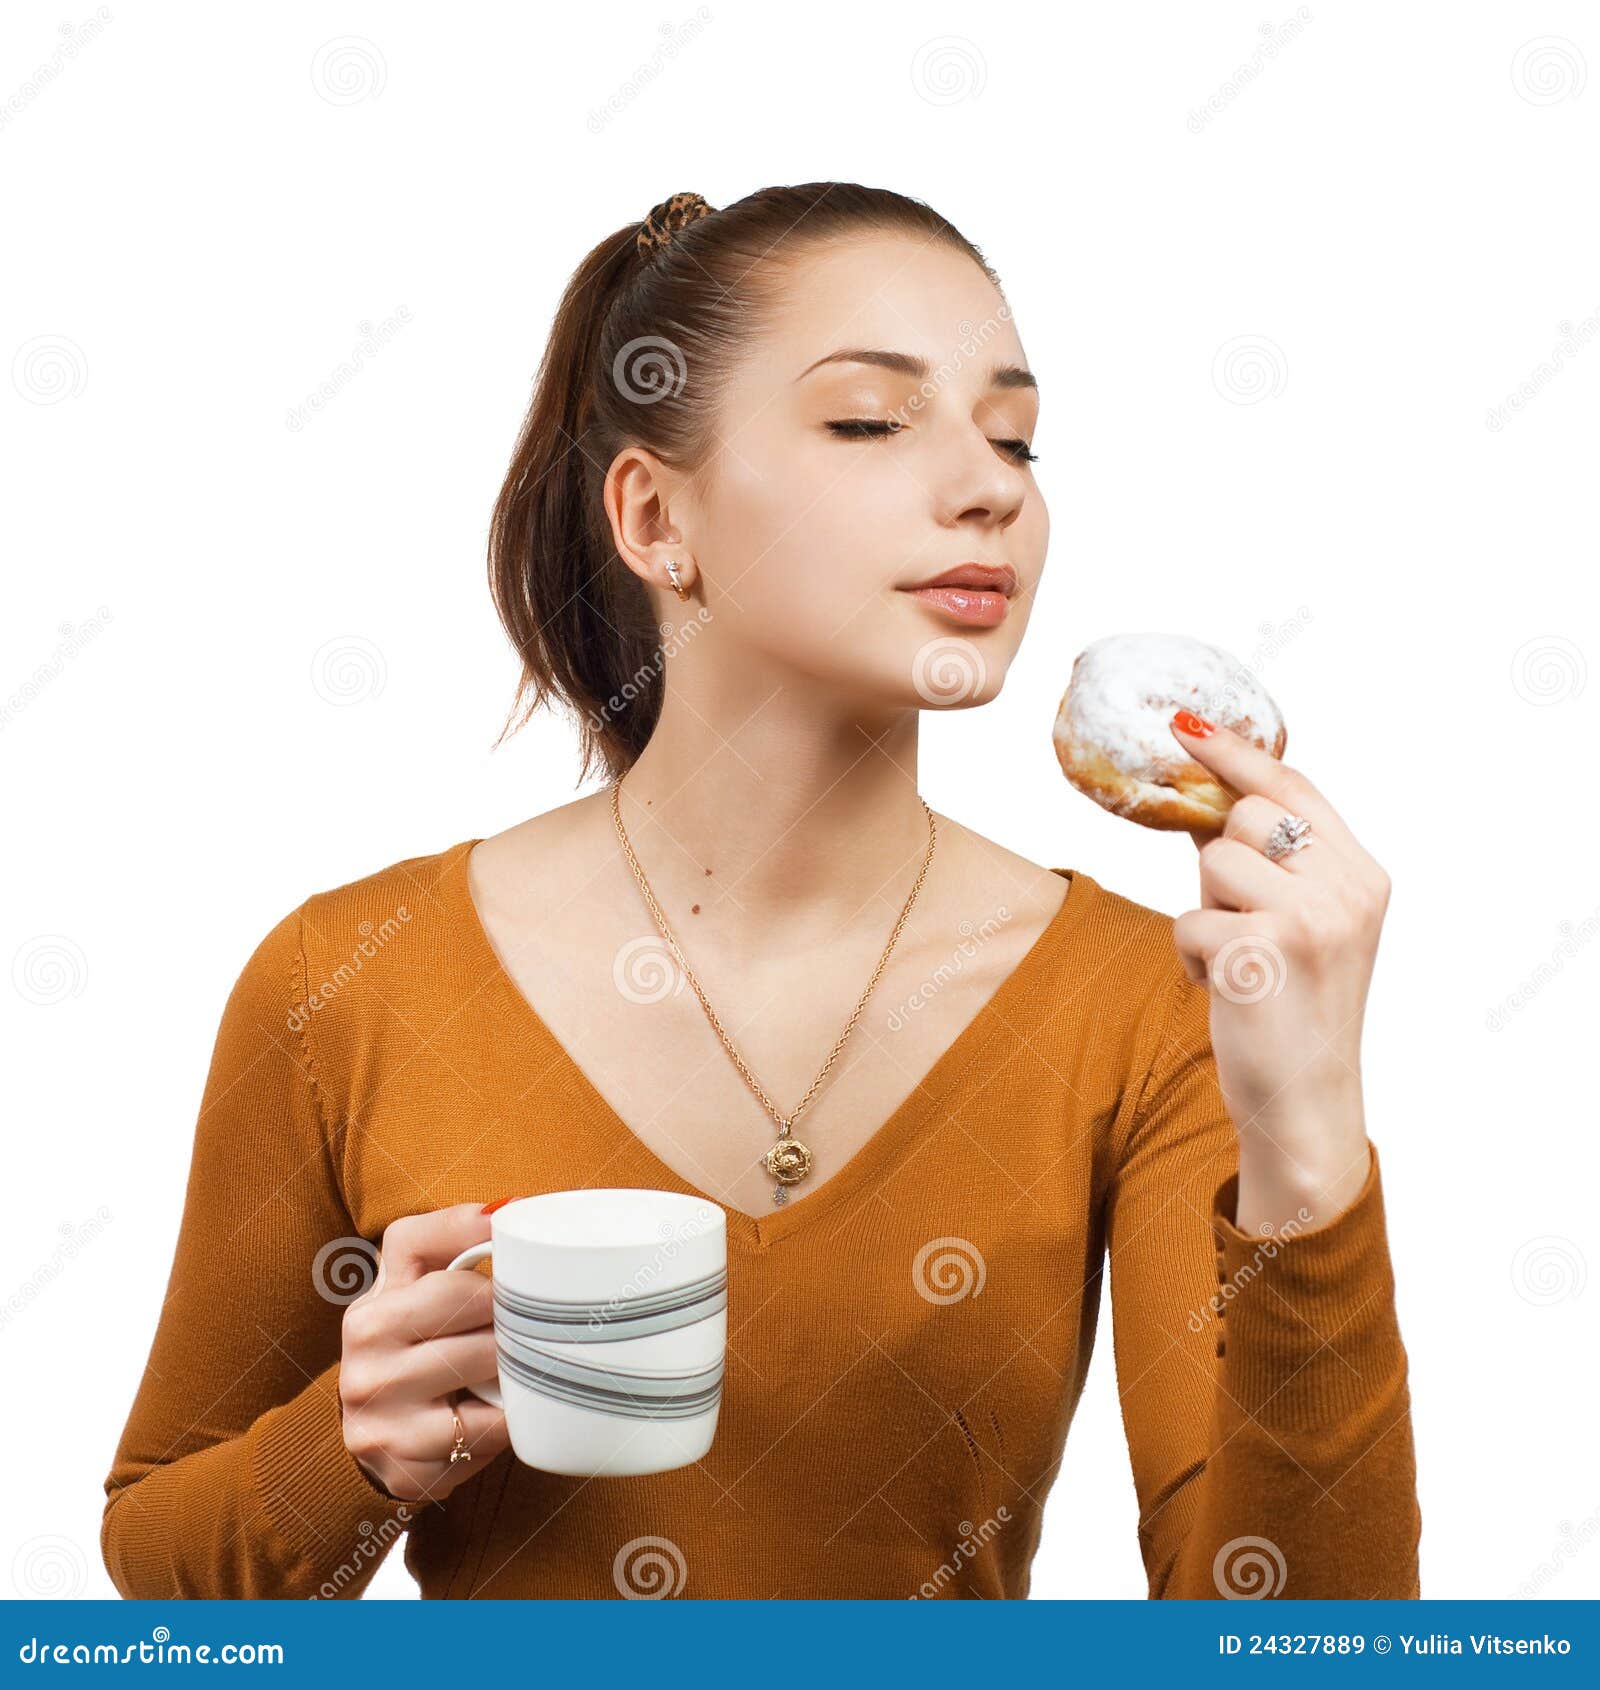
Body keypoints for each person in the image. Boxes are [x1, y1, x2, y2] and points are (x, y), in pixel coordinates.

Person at [100, 183, 1420, 1600]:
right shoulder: (349, 978)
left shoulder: (1149, 1001)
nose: (991, 487)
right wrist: (349, 1451)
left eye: (1015, 436)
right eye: (869, 421)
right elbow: (160, 1568)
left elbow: (1289, 1645)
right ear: (655, 514)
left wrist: (1308, 1147)